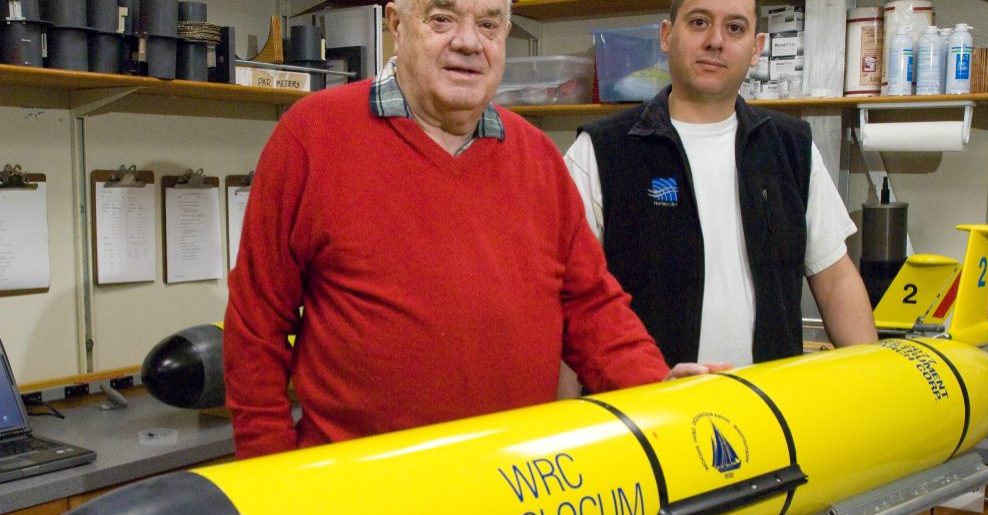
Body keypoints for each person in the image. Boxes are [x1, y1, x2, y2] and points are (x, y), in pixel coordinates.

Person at [223, 0, 709, 460]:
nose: (469, 42)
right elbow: (255, 324)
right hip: (359, 498)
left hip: (510, 490)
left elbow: (591, 308)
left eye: (490, 24)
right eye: (442, 18)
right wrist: (269, 475)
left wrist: (656, 390)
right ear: (397, 24)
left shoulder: (537, 158)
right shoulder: (313, 136)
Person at [564, 0, 877, 369]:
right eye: (699, 22)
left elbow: (835, 279)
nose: (716, 41)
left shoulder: (791, 147)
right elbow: (571, 304)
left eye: (735, 28)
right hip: (650, 412)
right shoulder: (601, 151)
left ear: (756, 48)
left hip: (769, 408)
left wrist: (874, 382)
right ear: (667, 36)